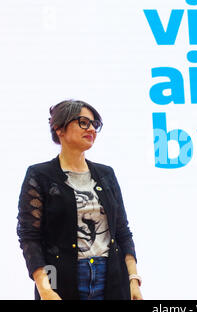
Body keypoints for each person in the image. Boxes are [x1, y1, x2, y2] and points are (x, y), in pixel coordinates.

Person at [17, 99, 143, 300]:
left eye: (95, 124)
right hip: (61, 276)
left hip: (111, 276)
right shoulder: (40, 175)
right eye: (83, 122)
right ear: (60, 129)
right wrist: (45, 289)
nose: (91, 129)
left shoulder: (106, 174)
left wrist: (133, 280)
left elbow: (122, 231)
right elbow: (30, 237)